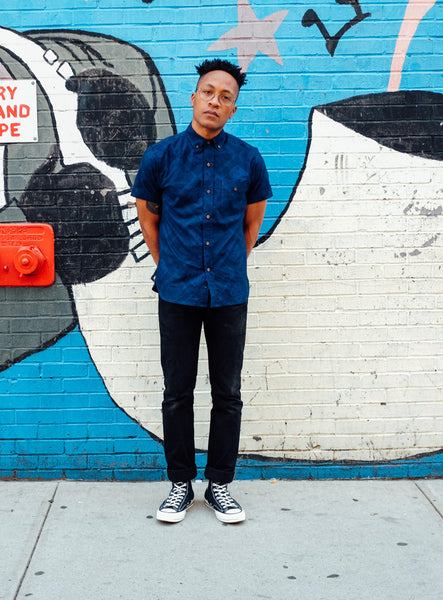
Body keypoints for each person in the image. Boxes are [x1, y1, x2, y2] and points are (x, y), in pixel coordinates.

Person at [132, 58, 272, 524]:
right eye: (208, 92)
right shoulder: (161, 157)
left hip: (229, 291)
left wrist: (229, 263)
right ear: (194, 97)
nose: (216, 101)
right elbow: (148, 218)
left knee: (227, 391)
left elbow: (252, 223)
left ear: (234, 109)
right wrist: (169, 263)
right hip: (178, 290)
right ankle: (179, 484)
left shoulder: (248, 159)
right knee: (177, 391)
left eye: (226, 96)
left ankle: (219, 486)